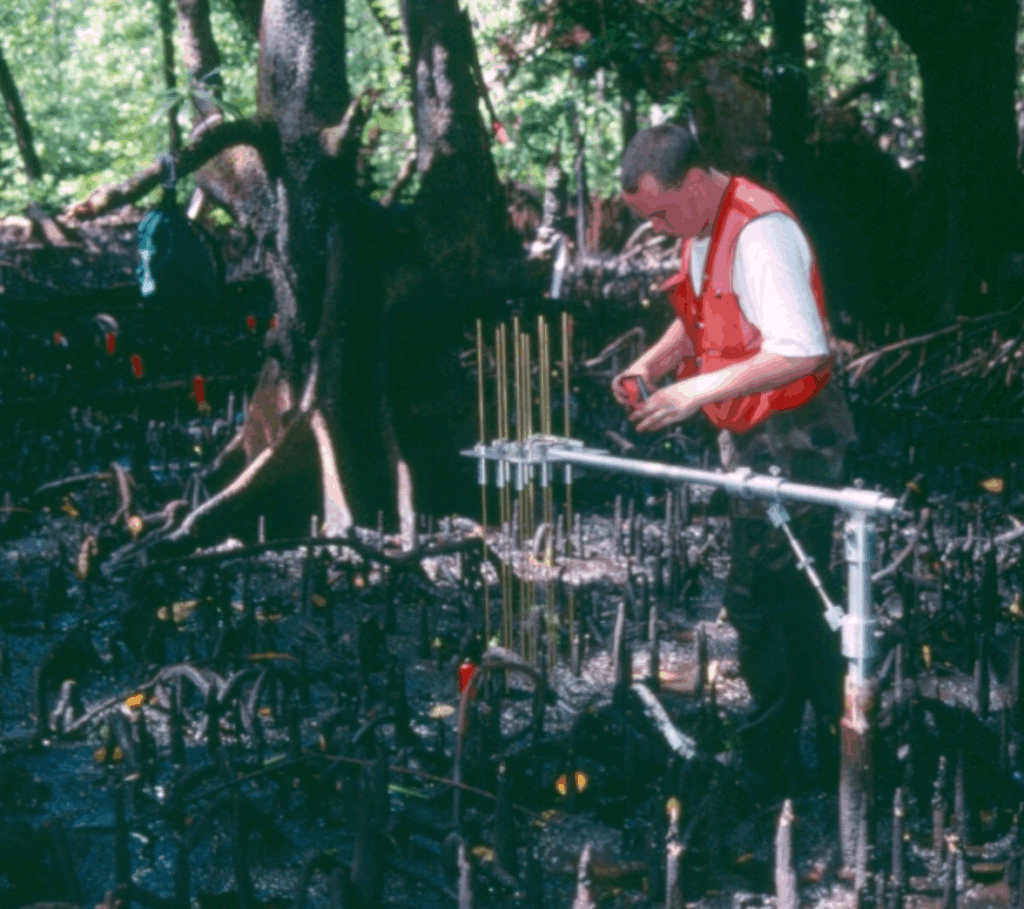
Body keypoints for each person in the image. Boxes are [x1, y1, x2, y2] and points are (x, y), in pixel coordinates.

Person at [613, 124, 857, 797]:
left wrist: (692, 391)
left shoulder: (760, 231)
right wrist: (653, 364)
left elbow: (801, 349)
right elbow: (701, 316)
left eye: (661, 214)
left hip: (797, 436)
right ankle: (840, 740)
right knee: (797, 598)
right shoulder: (701, 226)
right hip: (752, 434)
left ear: (694, 181)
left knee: (762, 600)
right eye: (648, 219)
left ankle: (769, 760)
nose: (658, 230)